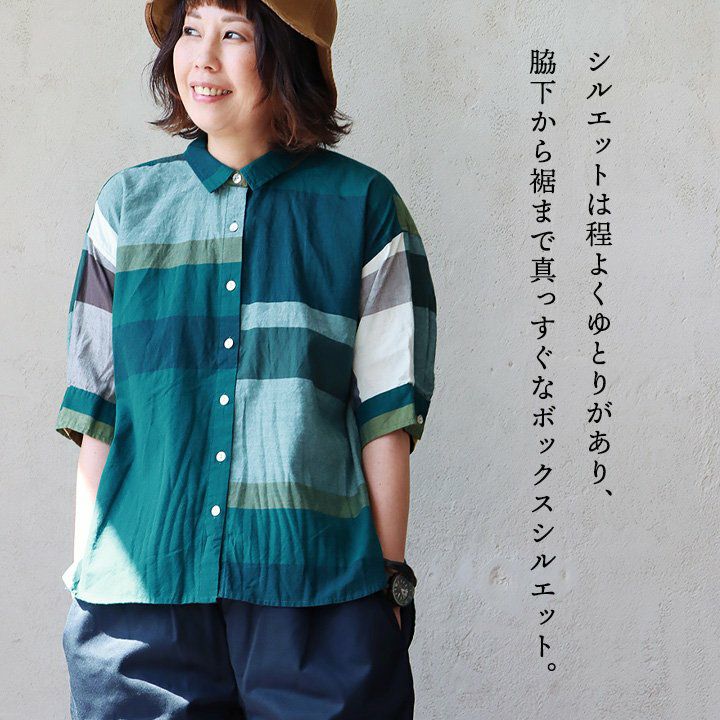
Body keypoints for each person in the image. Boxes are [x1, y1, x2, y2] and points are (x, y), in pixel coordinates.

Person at [57, 1, 437, 718]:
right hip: (140, 602)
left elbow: (386, 418)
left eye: (233, 34)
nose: (202, 58)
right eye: (190, 30)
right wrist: (87, 573)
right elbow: (98, 416)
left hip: (317, 592)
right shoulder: (126, 209)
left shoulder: (363, 208)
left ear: (287, 54)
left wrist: (389, 584)